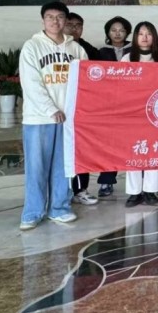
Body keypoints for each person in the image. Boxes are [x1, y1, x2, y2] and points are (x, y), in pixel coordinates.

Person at [18, 1, 88, 230]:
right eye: (50, 17)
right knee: (36, 167)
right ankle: (33, 212)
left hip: (68, 119)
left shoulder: (75, 49)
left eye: (59, 17)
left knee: (63, 167)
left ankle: (59, 208)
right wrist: (51, 109)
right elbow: (31, 83)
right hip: (39, 118)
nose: (55, 21)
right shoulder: (32, 46)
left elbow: (86, 81)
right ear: (43, 20)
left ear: (65, 20)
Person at [122, 22, 158, 207]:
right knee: (134, 151)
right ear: (135, 37)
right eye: (141, 34)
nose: (145, 37)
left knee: (153, 150)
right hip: (133, 113)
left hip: (156, 113)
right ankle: (134, 192)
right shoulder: (127, 58)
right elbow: (119, 86)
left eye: (149, 33)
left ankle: (150, 190)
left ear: (154, 37)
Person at [63, 12, 100, 206]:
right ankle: (60, 192)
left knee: (80, 150)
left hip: (82, 109)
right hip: (58, 108)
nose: (74, 29)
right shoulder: (53, 48)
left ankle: (80, 190)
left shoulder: (89, 50)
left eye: (78, 25)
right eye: (70, 24)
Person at [95, 16, 132, 196]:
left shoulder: (135, 50)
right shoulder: (101, 52)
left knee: (135, 142)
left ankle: (139, 183)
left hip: (132, 104)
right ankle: (106, 181)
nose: (117, 34)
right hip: (109, 105)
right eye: (114, 30)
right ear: (108, 33)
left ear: (127, 32)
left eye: (121, 30)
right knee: (109, 144)